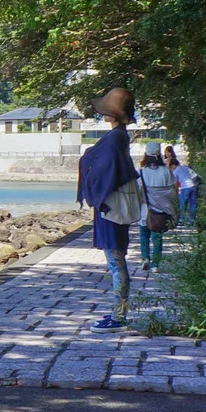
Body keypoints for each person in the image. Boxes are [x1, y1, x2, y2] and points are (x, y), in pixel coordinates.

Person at [77, 87, 140, 332]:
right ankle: (118, 312)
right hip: (112, 206)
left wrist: (94, 194)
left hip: (109, 208)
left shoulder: (114, 139)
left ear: (112, 113)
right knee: (117, 261)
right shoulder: (120, 137)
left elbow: (106, 172)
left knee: (116, 263)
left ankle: (119, 316)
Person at [138, 142, 178, 271]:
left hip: (145, 210)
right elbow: (173, 192)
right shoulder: (166, 171)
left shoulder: (142, 172)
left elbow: (138, 191)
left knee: (144, 235)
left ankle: (145, 258)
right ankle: (155, 264)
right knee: (157, 238)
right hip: (162, 210)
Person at [172, 155, 200, 226]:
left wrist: (175, 192)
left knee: (183, 203)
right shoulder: (186, 167)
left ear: (173, 165)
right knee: (193, 203)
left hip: (185, 187)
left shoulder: (175, 171)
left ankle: (181, 219)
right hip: (193, 186)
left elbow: (175, 183)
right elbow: (195, 175)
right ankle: (192, 219)